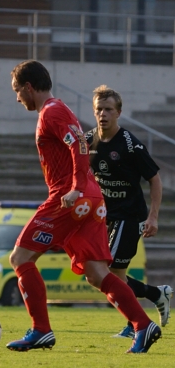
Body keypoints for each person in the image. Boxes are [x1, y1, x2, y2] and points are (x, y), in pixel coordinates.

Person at [6, 59, 161, 354]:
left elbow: (78, 143)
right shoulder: (56, 110)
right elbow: (80, 141)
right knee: (96, 273)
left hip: (71, 197)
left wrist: (75, 188)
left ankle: (40, 331)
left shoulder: (51, 111)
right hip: (91, 199)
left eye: (18, 91)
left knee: (20, 257)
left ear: (28, 87)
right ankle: (143, 325)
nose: (17, 98)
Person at [85, 84, 173, 339]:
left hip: (129, 216)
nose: (103, 114)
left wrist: (153, 216)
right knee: (102, 276)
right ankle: (156, 295)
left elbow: (155, 179)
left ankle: (135, 322)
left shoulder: (130, 144)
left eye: (109, 109)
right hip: (104, 217)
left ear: (119, 113)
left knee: (107, 273)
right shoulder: (89, 140)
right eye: (99, 109)